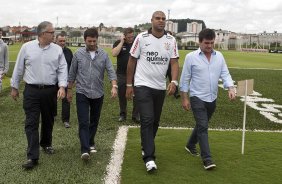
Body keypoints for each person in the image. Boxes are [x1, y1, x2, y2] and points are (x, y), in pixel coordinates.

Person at [126, 11, 179, 172]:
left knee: (155, 121)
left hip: (159, 87)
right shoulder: (142, 38)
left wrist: (174, 81)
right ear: (151, 20)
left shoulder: (171, 40)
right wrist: (129, 85)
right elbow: (131, 61)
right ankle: (149, 158)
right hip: (142, 85)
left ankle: (146, 145)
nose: (161, 21)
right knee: (147, 119)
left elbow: (175, 62)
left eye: (163, 19)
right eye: (158, 18)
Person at [10, 21, 68, 170]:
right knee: (31, 122)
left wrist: (62, 86)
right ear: (42, 34)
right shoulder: (26, 47)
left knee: (48, 119)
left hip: (50, 90)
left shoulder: (57, 50)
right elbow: (18, 68)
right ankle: (32, 156)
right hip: (31, 91)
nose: (54, 35)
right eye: (51, 32)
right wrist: (14, 87)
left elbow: (62, 69)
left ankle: (46, 144)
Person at [179, 28, 236, 170]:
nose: (209, 46)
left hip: (212, 98)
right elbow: (185, 79)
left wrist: (230, 88)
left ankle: (190, 144)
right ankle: (207, 159)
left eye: (211, 43)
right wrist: (184, 99)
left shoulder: (220, 56)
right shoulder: (191, 57)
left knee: (201, 125)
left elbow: (225, 74)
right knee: (203, 127)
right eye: (206, 43)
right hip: (197, 97)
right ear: (199, 42)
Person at [67, 28, 117, 161]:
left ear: (97, 39)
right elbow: (72, 73)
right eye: (89, 41)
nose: (92, 43)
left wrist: (114, 86)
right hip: (82, 92)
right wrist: (69, 89)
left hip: (98, 92)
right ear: (85, 40)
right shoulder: (78, 54)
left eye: (94, 41)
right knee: (84, 121)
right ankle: (84, 149)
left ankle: (90, 142)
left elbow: (111, 71)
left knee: (94, 120)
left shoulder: (104, 55)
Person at [112, 27, 139, 123]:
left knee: (137, 94)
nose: (131, 39)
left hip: (135, 74)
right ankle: (123, 114)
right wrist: (121, 42)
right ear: (124, 36)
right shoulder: (118, 43)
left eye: (132, 37)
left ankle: (136, 115)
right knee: (122, 94)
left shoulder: (136, 43)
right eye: (128, 37)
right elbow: (114, 53)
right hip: (121, 74)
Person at [55, 33, 73, 128]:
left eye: (64, 41)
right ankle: (52, 115)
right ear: (56, 41)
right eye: (60, 41)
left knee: (66, 100)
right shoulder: (51, 51)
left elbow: (72, 66)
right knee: (51, 99)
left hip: (65, 79)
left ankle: (66, 120)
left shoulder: (69, 52)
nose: (62, 43)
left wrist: (71, 80)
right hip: (53, 80)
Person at [166, 31, 180, 99]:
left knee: (173, 79)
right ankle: (159, 92)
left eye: (170, 35)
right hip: (163, 66)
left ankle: (176, 93)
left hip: (171, 66)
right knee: (160, 79)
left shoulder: (172, 43)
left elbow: (175, 58)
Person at [0, 28, 9, 92]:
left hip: (0, 69)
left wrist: (5, 71)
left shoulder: (4, 45)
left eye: (0, 33)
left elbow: (6, 58)